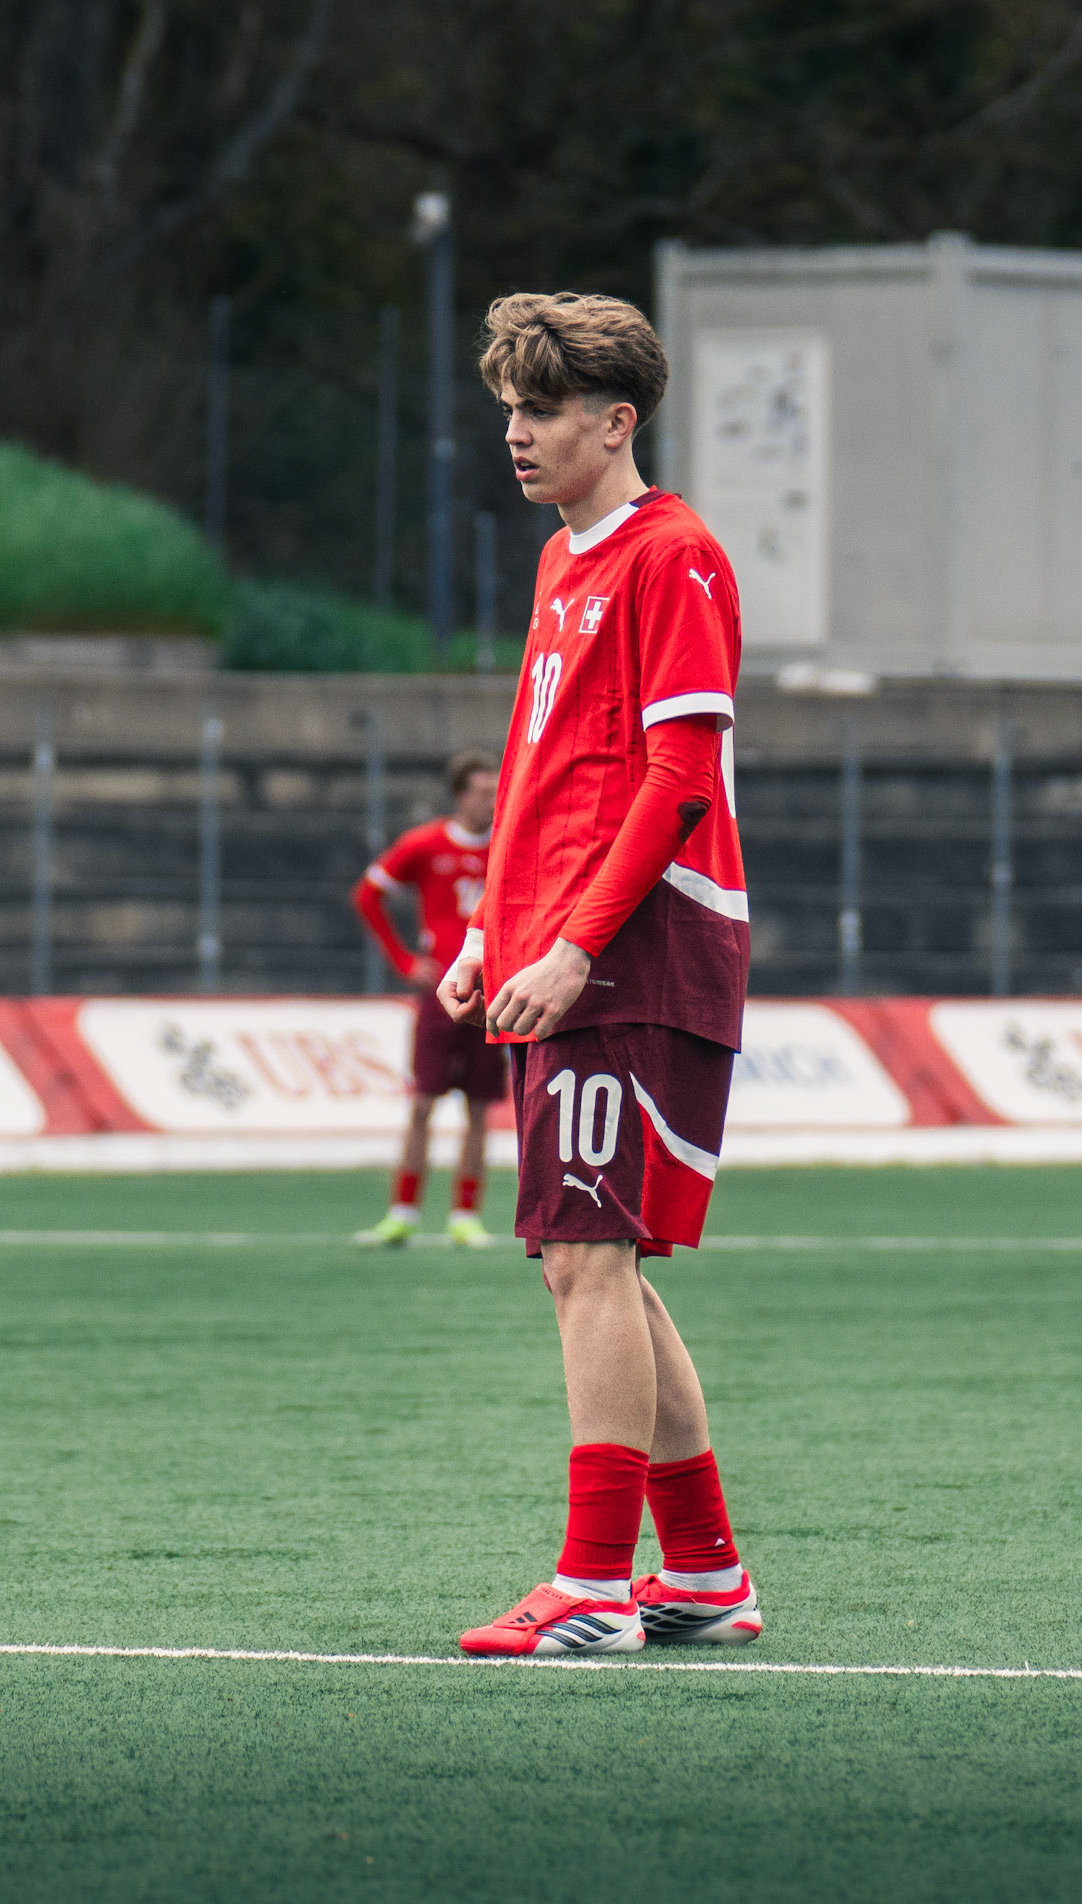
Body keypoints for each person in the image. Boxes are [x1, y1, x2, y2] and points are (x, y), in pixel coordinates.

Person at [437, 292, 761, 1656]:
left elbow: (678, 777)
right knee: (595, 1260)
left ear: (616, 420)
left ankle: (592, 1585)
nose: (516, 433)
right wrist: (488, 931)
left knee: (586, 1257)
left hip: (630, 956)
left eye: (543, 409)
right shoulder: (564, 561)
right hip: (559, 947)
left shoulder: (673, 556)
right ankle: (702, 1573)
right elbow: (540, 765)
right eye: (509, 408)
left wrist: (573, 948)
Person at [352, 751, 506, 1248]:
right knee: (423, 1103)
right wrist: (403, 960)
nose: (491, 801)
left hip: (491, 993)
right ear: (459, 795)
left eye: (496, 791)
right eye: (482, 792)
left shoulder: (510, 842)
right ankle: (402, 1212)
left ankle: (465, 1216)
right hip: (440, 995)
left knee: (479, 1108)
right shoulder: (425, 844)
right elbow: (367, 895)